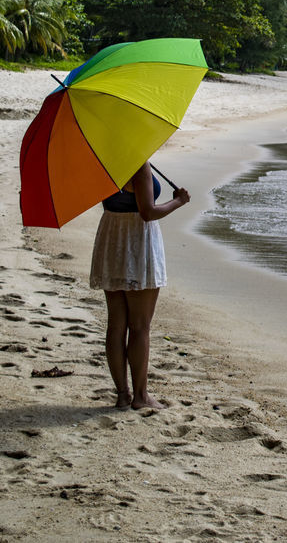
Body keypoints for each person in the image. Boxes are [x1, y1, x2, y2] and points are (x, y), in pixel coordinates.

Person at [89, 161, 190, 410]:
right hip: (136, 239)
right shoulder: (138, 164)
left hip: (111, 236)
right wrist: (178, 201)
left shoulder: (102, 161)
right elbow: (147, 212)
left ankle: (122, 394)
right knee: (139, 326)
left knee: (116, 325)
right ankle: (141, 396)